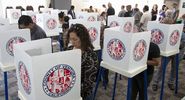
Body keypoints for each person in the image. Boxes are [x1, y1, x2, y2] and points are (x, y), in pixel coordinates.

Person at [152, 11, 185, 91]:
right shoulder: (164, 31)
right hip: (168, 52)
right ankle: (155, 82)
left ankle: (171, 82)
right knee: (162, 67)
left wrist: (174, 48)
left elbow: (182, 44)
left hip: (178, 52)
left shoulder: (180, 32)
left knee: (174, 68)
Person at [66, 24, 99, 100]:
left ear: (83, 38)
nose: (72, 42)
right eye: (71, 39)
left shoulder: (91, 57)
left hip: (83, 93)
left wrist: (71, 91)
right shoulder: (70, 49)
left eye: (75, 39)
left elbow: (88, 83)